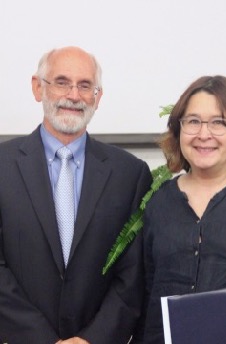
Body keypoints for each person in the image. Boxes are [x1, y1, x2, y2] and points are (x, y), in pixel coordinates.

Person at [0, 46, 152, 344]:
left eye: (85, 86)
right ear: (37, 87)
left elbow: (132, 275)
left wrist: (91, 339)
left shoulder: (130, 174)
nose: (73, 95)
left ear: (98, 97)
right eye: (61, 82)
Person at [134, 75, 226, 344]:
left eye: (219, 122)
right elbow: (150, 297)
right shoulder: (160, 202)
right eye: (193, 121)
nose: (203, 134)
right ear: (178, 129)